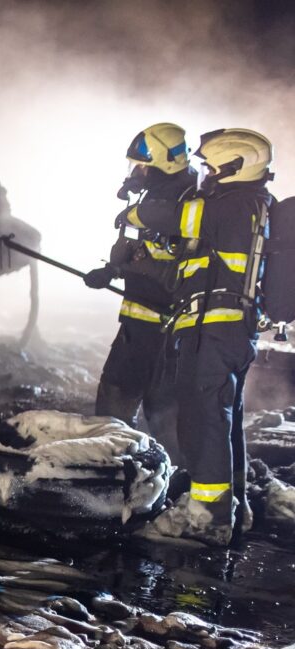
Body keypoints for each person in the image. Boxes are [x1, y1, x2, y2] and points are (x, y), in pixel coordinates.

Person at [125, 128, 275, 545]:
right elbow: (190, 268)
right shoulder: (254, 205)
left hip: (215, 327)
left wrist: (136, 214)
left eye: (211, 167)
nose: (205, 174)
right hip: (231, 329)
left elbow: (173, 217)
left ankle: (206, 518)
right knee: (225, 422)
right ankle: (231, 505)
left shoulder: (234, 204)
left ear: (235, 165)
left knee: (203, 419)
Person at [83, 122, 197, 458]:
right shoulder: (160, 194)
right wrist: (113, 270)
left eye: (142, 166)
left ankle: (167, 484)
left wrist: (134, 264)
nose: (135, 171)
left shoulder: (187, 204)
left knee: (158, 416)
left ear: (164, 164)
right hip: (139, 324)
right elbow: (146, 250)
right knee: (118, 411)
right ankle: (118, 476)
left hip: (163, 331)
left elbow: (183, 270)